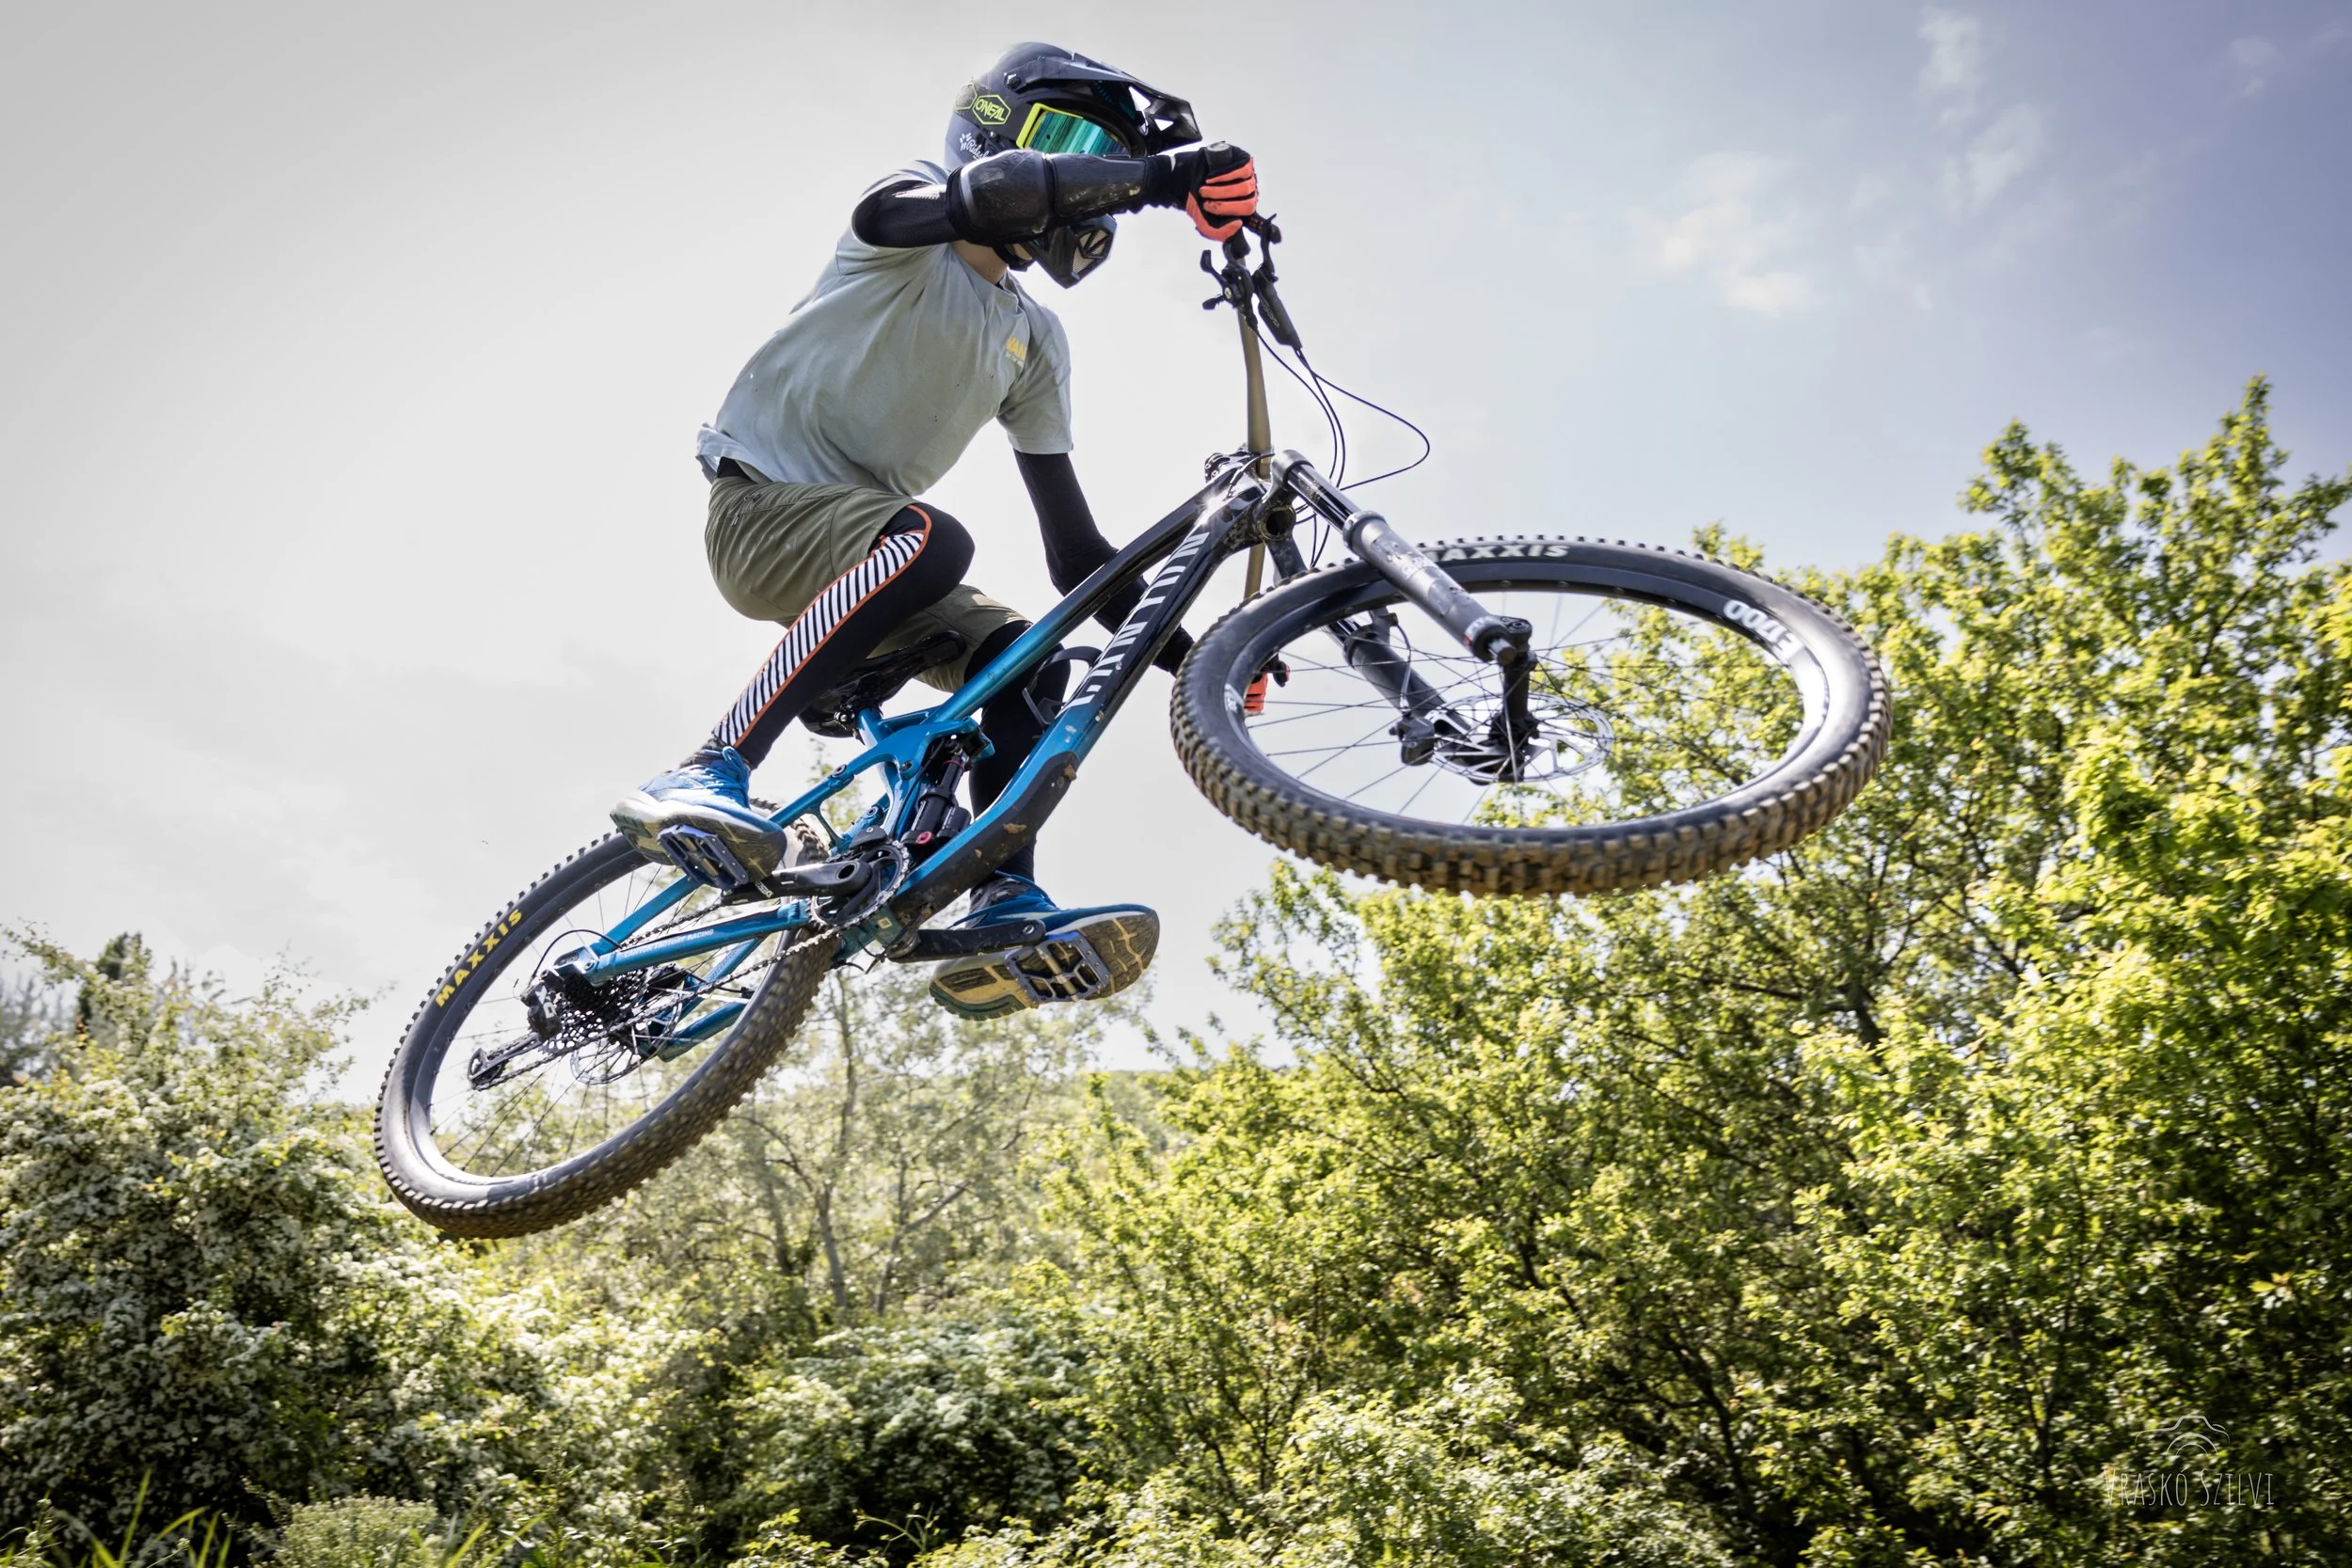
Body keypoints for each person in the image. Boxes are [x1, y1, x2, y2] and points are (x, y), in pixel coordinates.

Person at [608, 41, 1259, 1019]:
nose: (1085, 172)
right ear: (992, 123)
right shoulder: (905, 219)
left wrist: (1199, 655)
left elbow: (1078, 557)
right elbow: (980, 196)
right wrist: (1160, 178)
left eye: (1098, 154)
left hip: (872, 559)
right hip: (763, 513)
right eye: (1065, 142)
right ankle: (710, 766)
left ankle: (996, 888)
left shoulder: (1032, 338)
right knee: (933, 537)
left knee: (1031, 658)